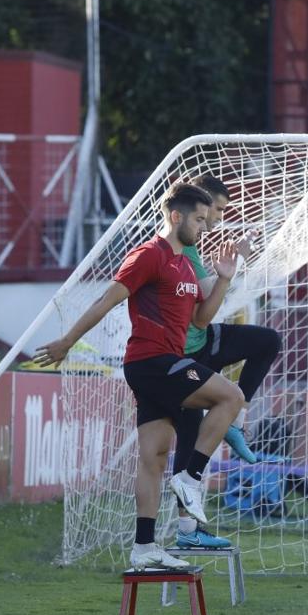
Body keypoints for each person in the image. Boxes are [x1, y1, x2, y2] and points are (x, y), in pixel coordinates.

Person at [34, 182, 244, 570]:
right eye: (199, 219)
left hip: (161, 365)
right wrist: (66, 340)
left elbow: (201, 318)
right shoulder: (148, 255)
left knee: (154, 457)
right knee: (231, 397)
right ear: (175, 216)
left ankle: (144, 547)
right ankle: (192, 477)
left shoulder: (185, 264)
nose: (204, 226)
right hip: (153, 362)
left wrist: (225, 279)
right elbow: (106, 300)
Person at [171, 173, 283, 548]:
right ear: (196, 206)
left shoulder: (191, 247)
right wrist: (227, 273)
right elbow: (201, 314)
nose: (217, 219)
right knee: (183, 445)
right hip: (184, 354)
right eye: (215, 210)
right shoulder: (177, 249)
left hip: (202, 342)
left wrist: (232, 265)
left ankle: (234, 419)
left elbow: (206, 304)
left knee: (267, 341)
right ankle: (186, 532)